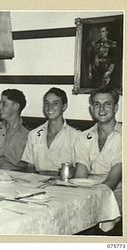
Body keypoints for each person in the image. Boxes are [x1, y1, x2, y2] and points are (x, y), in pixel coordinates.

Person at [74, 86, 122, 214]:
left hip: (117, 193)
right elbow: (80, 175)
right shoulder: (82, 137)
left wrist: (90, 201)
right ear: (91, 109)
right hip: (89, 191)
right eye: (97, 104)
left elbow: (113, 180)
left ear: (115, 108)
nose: (101, 109)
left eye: (107, 104)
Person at [21, 88, 80, 176]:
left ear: (64, 107)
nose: (50, 107)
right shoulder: (34, 134)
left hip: (63, 185)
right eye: (47, 103)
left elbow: (77, 169)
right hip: (38, 183)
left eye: (55, 103)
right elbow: (30, 167)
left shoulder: (75, 136)